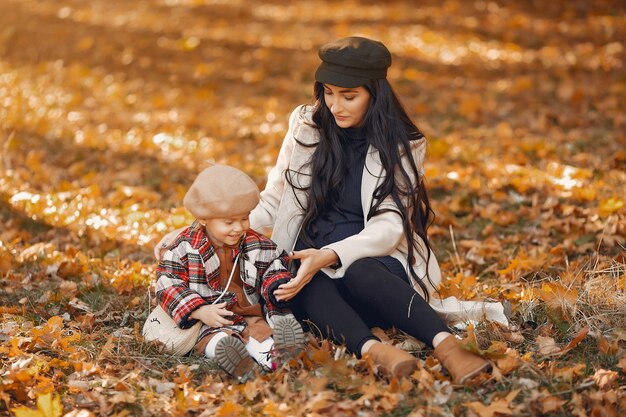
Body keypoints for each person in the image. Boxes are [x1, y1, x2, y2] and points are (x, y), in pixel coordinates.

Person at [156, 37, 508, 384]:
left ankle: (449, 349)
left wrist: (330, 254)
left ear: (375, 93)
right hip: (310, 269)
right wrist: (195, 232)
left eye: (349, 96)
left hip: (376, 270)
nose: (336, 105)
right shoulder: (306, 126)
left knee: (358, 271)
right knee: (298, 282)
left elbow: (391, 225)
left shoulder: (402, 145)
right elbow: (274, 200)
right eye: (328, 92)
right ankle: (376, 352)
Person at [148, 164, 304, 380]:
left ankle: (280, 356)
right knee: (216, 340)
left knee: (261, 333)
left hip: (247, 314)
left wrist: (277, 284)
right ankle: (235, 360)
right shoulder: (184, 248)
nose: (239, 228)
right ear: (203, 218)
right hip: (211, 318)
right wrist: (198, 310)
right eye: (229, 222)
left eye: (244, 218)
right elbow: (168, 283)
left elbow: (272, 264)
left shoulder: (254, 242)